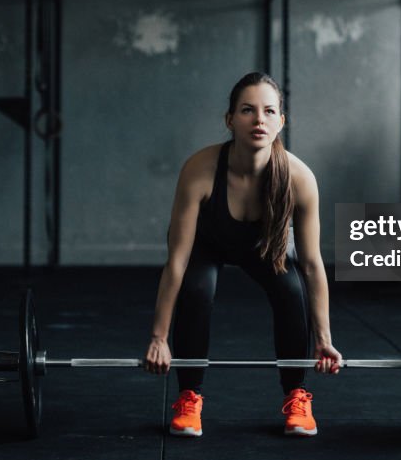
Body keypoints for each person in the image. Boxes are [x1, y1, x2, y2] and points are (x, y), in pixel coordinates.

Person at [143, 72, 342, 438]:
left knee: (291, 291)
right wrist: (159, 337)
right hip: (205, 243)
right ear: (230, 119)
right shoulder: (200, 170)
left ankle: (297, 396)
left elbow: (313, 265)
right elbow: (177, 261)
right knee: (197, 289)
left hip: (263, 244)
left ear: (281, 121)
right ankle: (189, 397)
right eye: (248, 110)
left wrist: (323, 339)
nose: (259, 119)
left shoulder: (299, 179)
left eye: (269, 111)